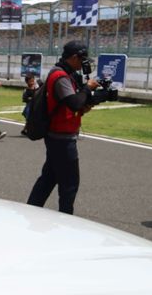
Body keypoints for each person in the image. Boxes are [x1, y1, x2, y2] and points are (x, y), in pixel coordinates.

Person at [26, 41, 101, 215]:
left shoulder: (68, 74)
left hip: (59, 135)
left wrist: (90, 101)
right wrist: (87, 89)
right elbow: (74, 102)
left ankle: (29, 211)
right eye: (83, 60)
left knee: (49, 178)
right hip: (61, 138)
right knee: (70, 184)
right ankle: (66, 219)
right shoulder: (60, 76)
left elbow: (73, 105)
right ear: (74, 57)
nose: (84, 64)